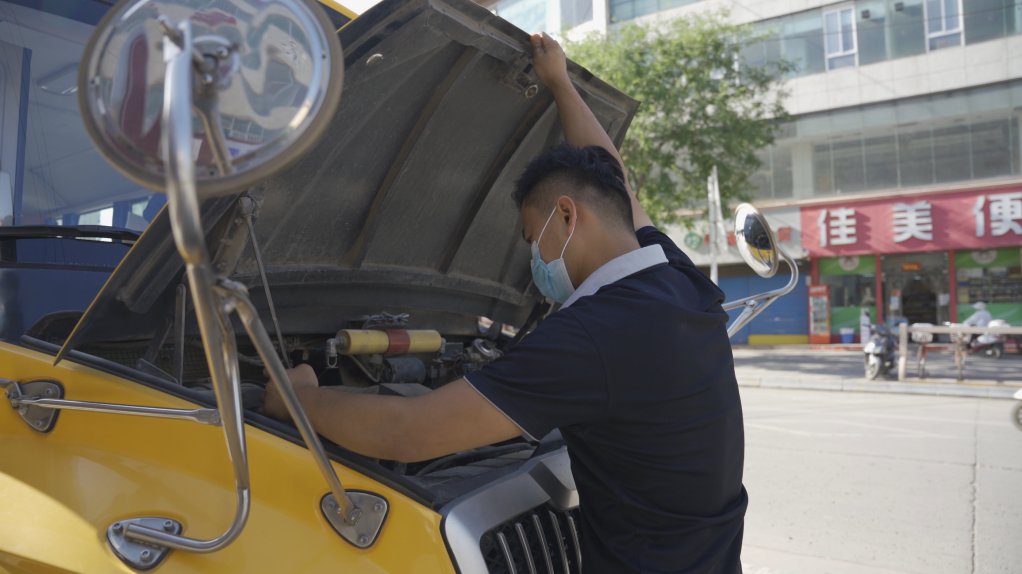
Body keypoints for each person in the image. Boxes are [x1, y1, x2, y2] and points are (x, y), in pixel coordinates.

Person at [264, 32, 745, 573]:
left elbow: (409, 432)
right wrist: (558, 81)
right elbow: (613, 178)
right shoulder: (671, 275)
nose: (530, 256)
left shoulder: (596, 333)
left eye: (528, 234)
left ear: (567, 216)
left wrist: (296, 399)